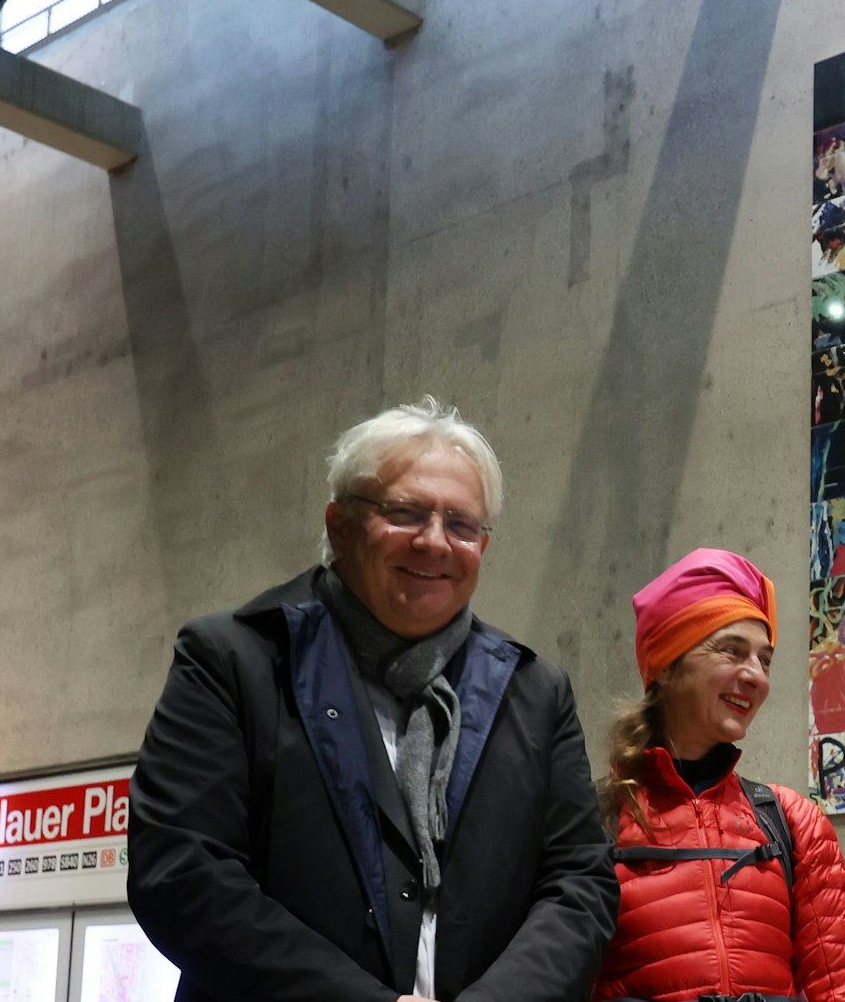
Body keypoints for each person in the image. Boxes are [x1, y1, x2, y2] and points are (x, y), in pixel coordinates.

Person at [128, 397, 619, 1002]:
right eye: (406, 512)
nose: (435, 542)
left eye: (461, 524)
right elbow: (181, 874)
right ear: (340, 525)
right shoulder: (234, 659)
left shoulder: (536, 693)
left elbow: (579, 887)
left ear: (482, 548)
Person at [591, 548, 845, 1002]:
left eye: (765, 659)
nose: (756, 676)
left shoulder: (794, 823)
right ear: (666, 664)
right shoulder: (595, 821)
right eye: (732, 651)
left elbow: (842, 990)